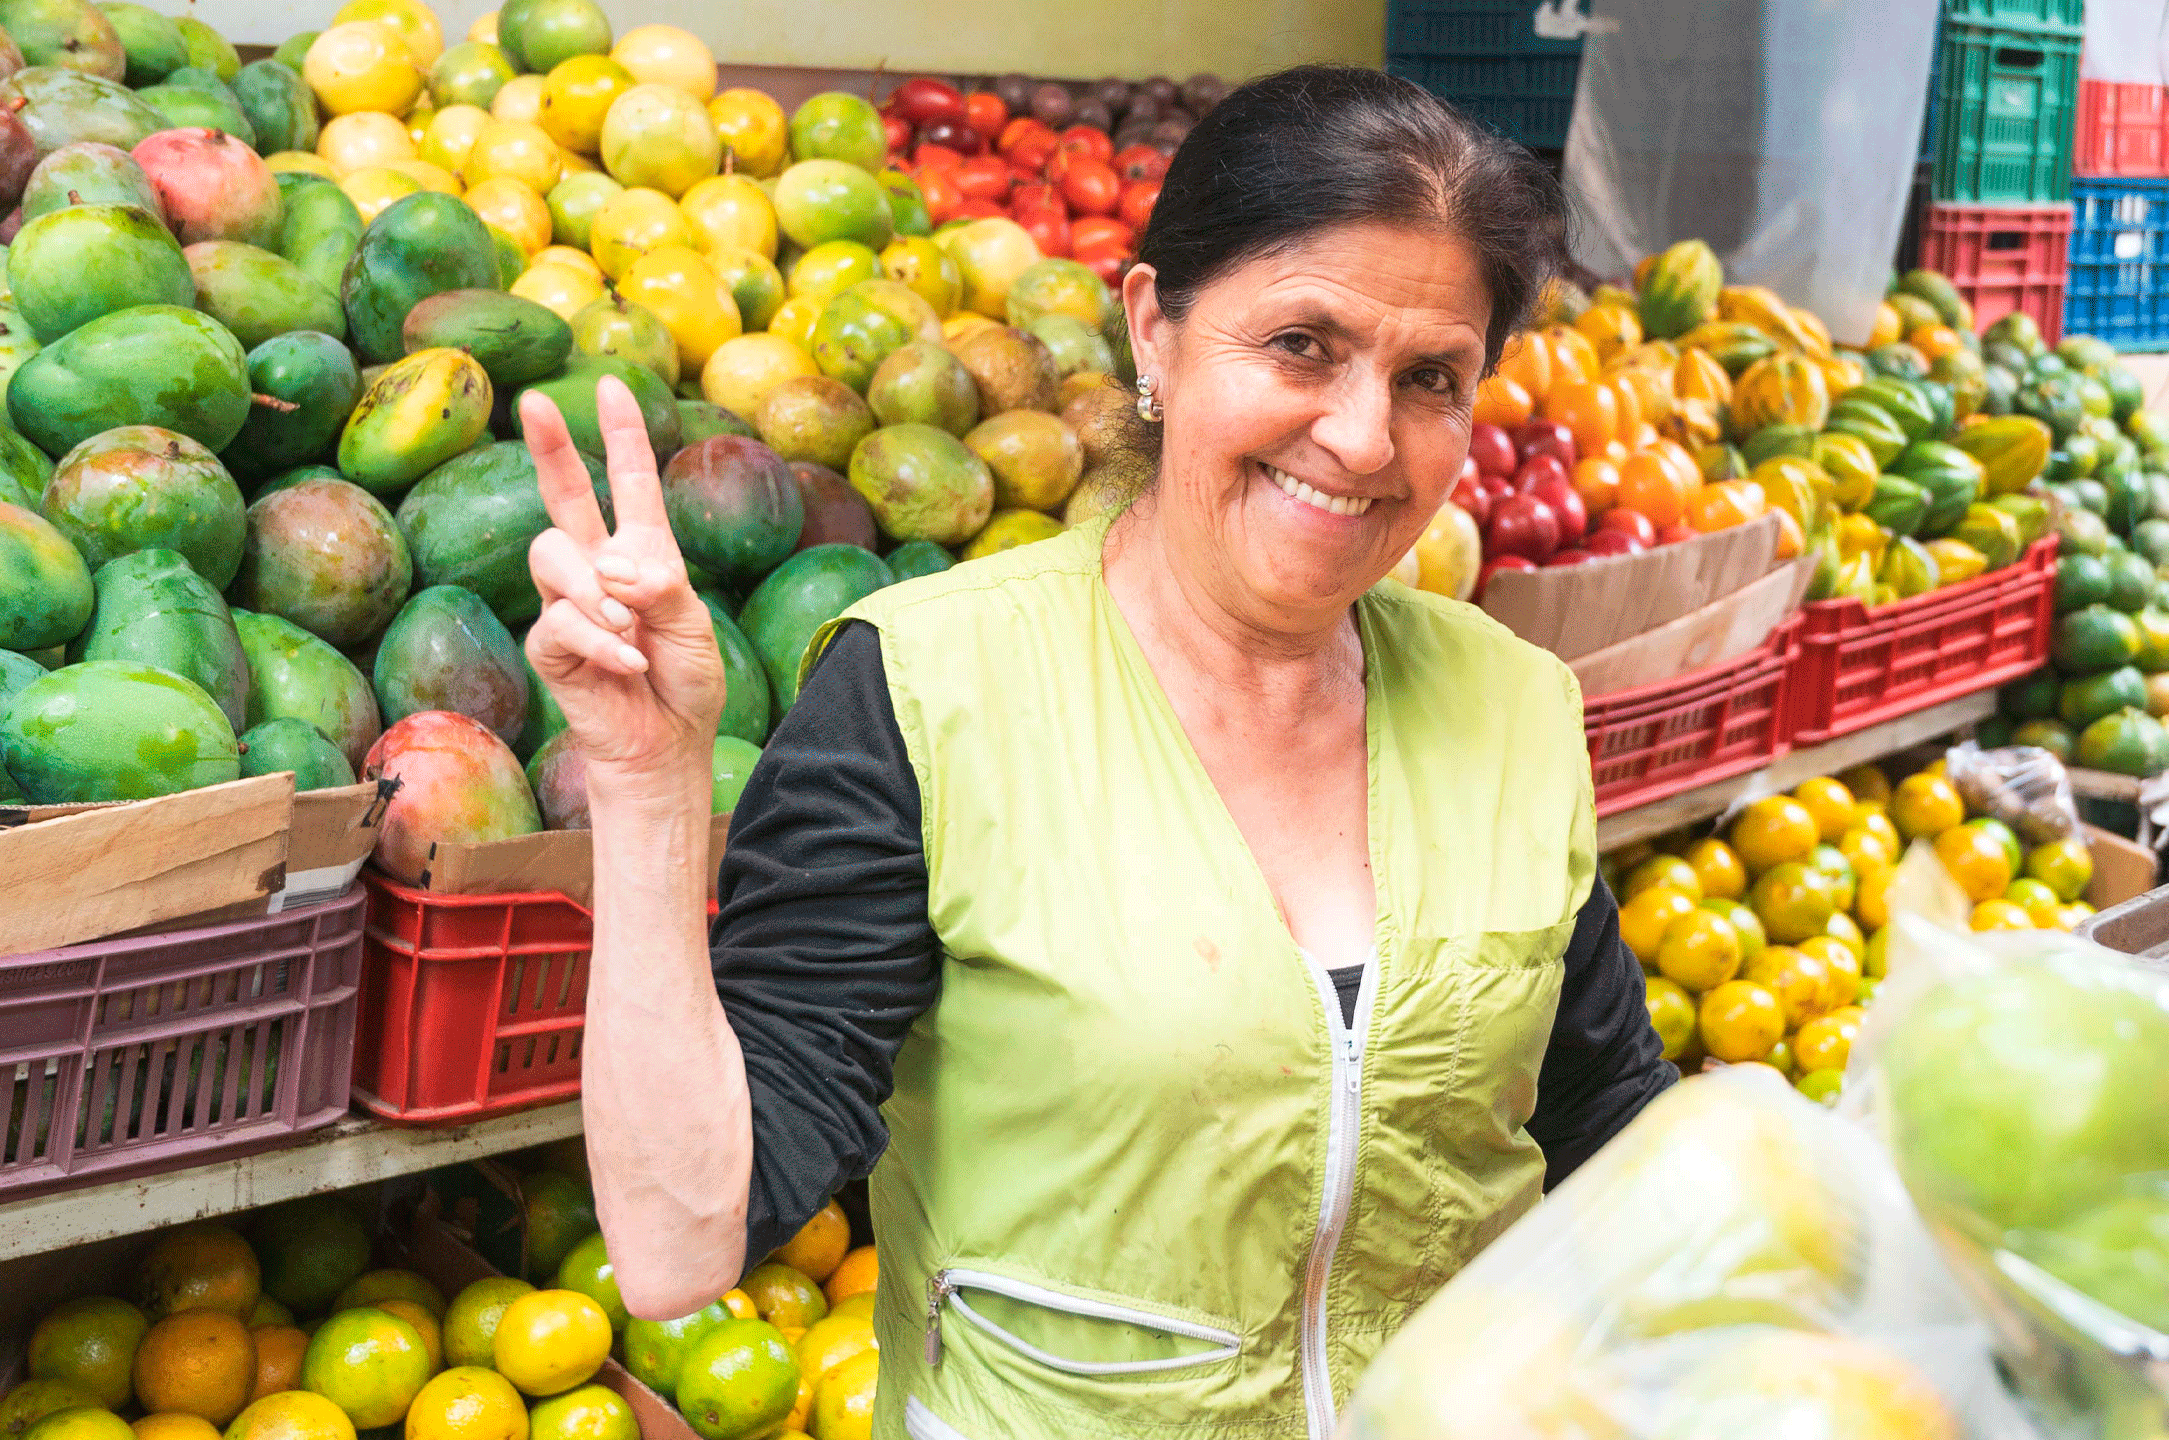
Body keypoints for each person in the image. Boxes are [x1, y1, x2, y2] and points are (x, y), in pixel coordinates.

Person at [521, 64, 1676, 1440]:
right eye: (1302, 345)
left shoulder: (1517, 707)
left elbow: (1607, 1123)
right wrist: (651, 788)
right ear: (1155, 329)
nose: (1363, 438)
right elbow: (678, 1244)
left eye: (1429, 379)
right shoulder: (929, 694)